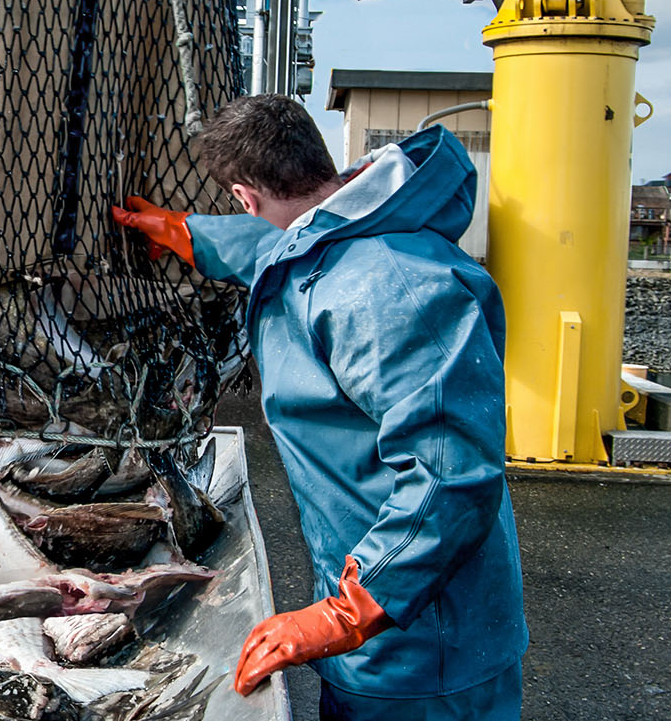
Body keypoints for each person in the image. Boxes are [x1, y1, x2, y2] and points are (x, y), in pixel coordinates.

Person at [113, 95, 527, 720]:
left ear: (245, 193)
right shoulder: (347, 220)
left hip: (424, 644)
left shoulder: (394, 290)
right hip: (379, 613)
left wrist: (348, 613)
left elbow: (450, 476)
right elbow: (273, 250)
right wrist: (184, 232)